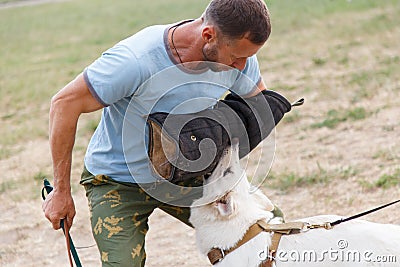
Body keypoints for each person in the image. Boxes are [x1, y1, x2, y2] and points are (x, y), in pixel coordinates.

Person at [42, 0, 272, 265]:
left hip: (187, 172)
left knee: (262, 233)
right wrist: (60, 191)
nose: (243, 66)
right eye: (236, 58)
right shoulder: (135, 60)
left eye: (248, 57)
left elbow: (258, 102)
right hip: (119, 180)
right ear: (208, 36)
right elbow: (63, 104)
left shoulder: (239, 56)